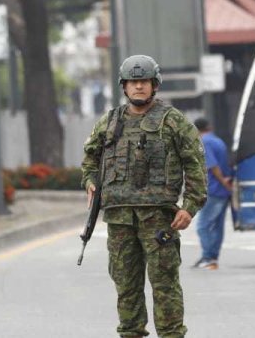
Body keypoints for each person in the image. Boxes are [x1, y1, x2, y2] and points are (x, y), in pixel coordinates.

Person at [81, 55, 207, 338]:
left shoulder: (173, 122)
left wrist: (190, 206)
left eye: (144, 81)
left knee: (164, 284)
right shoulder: (109, 123)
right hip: (119, 218)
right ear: (124, 87)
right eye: (133, 82)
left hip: (159, 218)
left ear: (154, 85)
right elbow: (90, 159)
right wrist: (89, 182)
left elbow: (195, 166)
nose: (138, 87)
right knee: (126, 285)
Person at [192, 118, 232, 270]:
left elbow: (212, 165)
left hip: (214, 189)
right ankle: (212, 257)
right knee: (217, 226)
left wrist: (223, 182)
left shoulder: (205, 142)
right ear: (210, 126)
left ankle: (208, 257)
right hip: (222, 191)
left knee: (203, 226)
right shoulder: (218, 141)